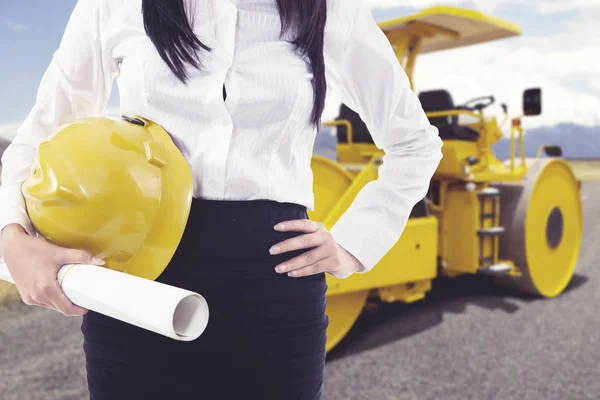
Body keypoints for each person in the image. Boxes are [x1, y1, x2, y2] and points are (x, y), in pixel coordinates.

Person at [0, 0, 443, 399]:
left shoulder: (330, 11)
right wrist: (12, 236)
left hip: (275, 287)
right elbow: (39, 136)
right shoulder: (114, 6)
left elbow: (415, 143)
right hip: (136, 285)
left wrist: (353, 245)